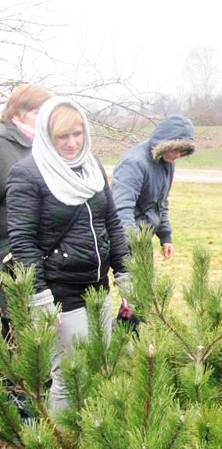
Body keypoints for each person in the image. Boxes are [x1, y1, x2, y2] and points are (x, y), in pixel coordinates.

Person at [6, 97, 129, 411]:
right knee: (71, 375)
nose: (72, 143)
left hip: (98, 286)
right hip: (60, 292)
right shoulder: (28, 174)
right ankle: (64, 434)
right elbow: (22, 240)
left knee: (100, 365)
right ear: (48, 136)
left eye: (78, 134)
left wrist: (125, 272)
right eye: (63, 136)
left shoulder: (92, 166)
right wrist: (40, 297)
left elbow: (111, 222)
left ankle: (94, 428)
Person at [0, 84, 53, 334]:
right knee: (18, 329)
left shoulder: (42, 145)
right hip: (9, 252)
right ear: (17, 113)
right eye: (36, 112)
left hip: (40, 249)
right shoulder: (3, 146)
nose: (44, 118)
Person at [111, 115, 195, 260]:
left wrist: (165, 236)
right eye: (174, 149)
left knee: (146, 275)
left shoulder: (166, 162)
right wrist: (133, 245)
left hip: (142, 239)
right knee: (131, 275)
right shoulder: (134, 163)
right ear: (164, 143)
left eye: (182, 150)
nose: (177, 155)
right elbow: (121, 208)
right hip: (124, 240)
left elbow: (160, 204)